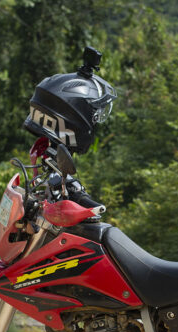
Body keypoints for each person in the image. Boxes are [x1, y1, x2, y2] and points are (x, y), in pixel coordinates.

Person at [22, 47, 115, 211]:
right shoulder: (53, 165)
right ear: (75, 117)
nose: (95, 121)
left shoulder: (46, 155)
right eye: (94, 115)